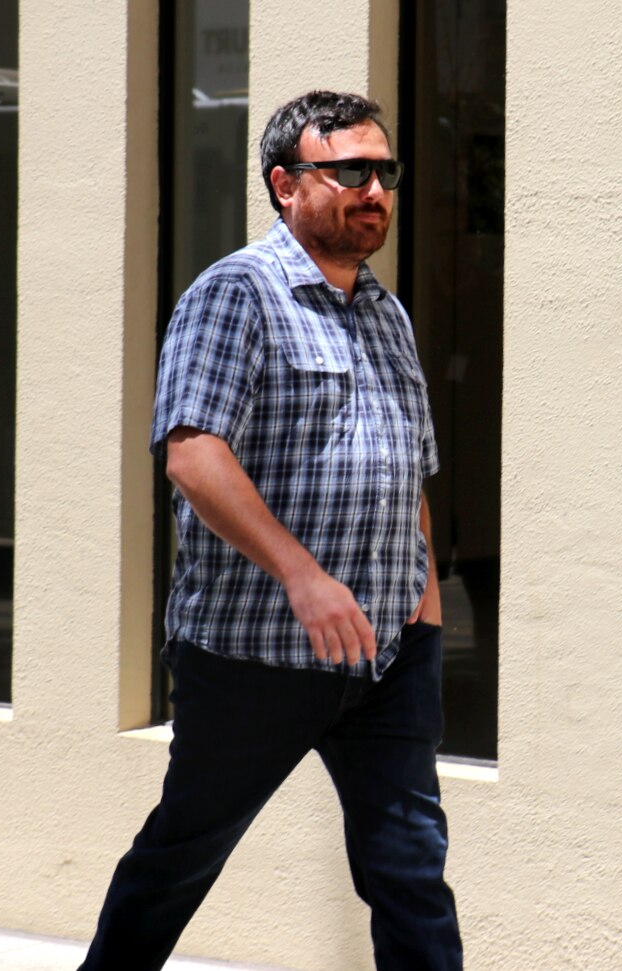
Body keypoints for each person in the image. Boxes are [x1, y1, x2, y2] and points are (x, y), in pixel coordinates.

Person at [78, 90, 462, 971]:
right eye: (350, 171)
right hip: (254, 657)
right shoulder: (233, 295)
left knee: (409, 872)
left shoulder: (384, 313)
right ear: (285, 184)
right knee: (182, 856)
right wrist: (302, 574)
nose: (374, 191)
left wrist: (426, 610)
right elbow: (193, 452)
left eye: (385, 172)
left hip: (387, 658)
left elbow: (407, 468)